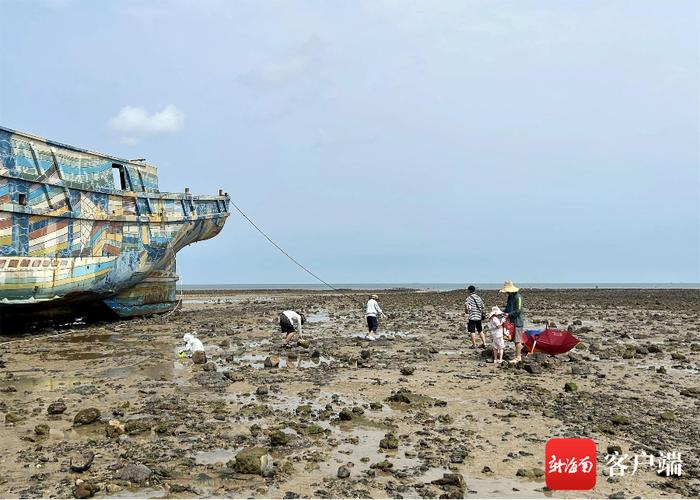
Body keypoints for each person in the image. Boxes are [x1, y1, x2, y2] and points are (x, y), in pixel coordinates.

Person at [501, 280, 524, 363]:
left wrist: (508, 315)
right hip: (511, 322)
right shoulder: (510, 297)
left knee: (517, 340)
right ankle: (517, 356)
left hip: (517, 322)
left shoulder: (518, 297)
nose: (507, 293)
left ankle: (518, 357)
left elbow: (518, 310)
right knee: (514, 339)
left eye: (507, 291)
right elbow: (508, 308)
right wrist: (502, 312)